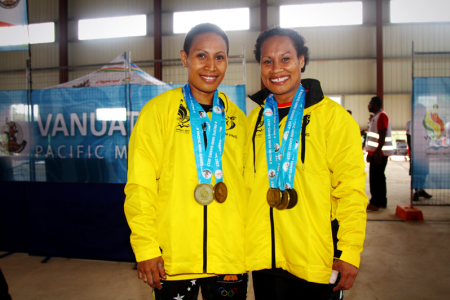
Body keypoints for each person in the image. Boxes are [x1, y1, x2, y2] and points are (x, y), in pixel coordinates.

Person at [124, 23, 249, 300]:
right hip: (174, 261)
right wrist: (146, 249)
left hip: (229, 258)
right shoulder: (158, 112)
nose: (211, 66)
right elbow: (140, 187)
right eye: (201, 55)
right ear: (185, 58)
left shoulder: (238, 119)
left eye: (220, 56)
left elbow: (249, 189)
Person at [244, 27, 367, 300]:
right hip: (266, 259)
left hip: (317, 260)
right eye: (267, 61)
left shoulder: (333, 119)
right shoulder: (254, 121)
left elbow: (351, 190)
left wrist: (349, 252)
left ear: (301, 60)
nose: (277, 69)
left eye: (285, 59)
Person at [366, 96, 394, 211]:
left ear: (376, 105)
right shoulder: (376, 117)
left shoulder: (382, 116)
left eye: (370, 103)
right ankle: (382, 201)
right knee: (380, 178)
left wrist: (377, 153)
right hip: (376, 153)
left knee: (375, 178)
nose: (368, 105)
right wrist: (370, 153)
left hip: (379, 154)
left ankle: (375, 202)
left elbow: (382, 133)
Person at [406, 118, 432, 201]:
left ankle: (421, 189)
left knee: (424, 172)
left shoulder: (426, 122)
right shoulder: (410, 122)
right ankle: (416, 191)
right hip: (416, 152)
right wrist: (412, 151)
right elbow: (409, 137)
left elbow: (428, 136)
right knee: (416, 173)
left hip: (424, 152)